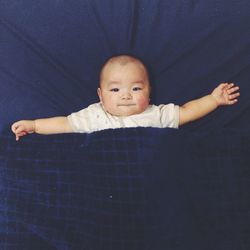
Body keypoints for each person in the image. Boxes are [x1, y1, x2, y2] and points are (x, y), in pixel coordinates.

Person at [11, 55, 240, 141]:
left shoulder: (156, 114)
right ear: (100, 95)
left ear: (148, 92)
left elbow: (188, 111)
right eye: (115, 90)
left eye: (136, 89)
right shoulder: (94, 115)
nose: (126, 96)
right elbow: (64, 123)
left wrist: (213, 99)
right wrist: (34, 125)